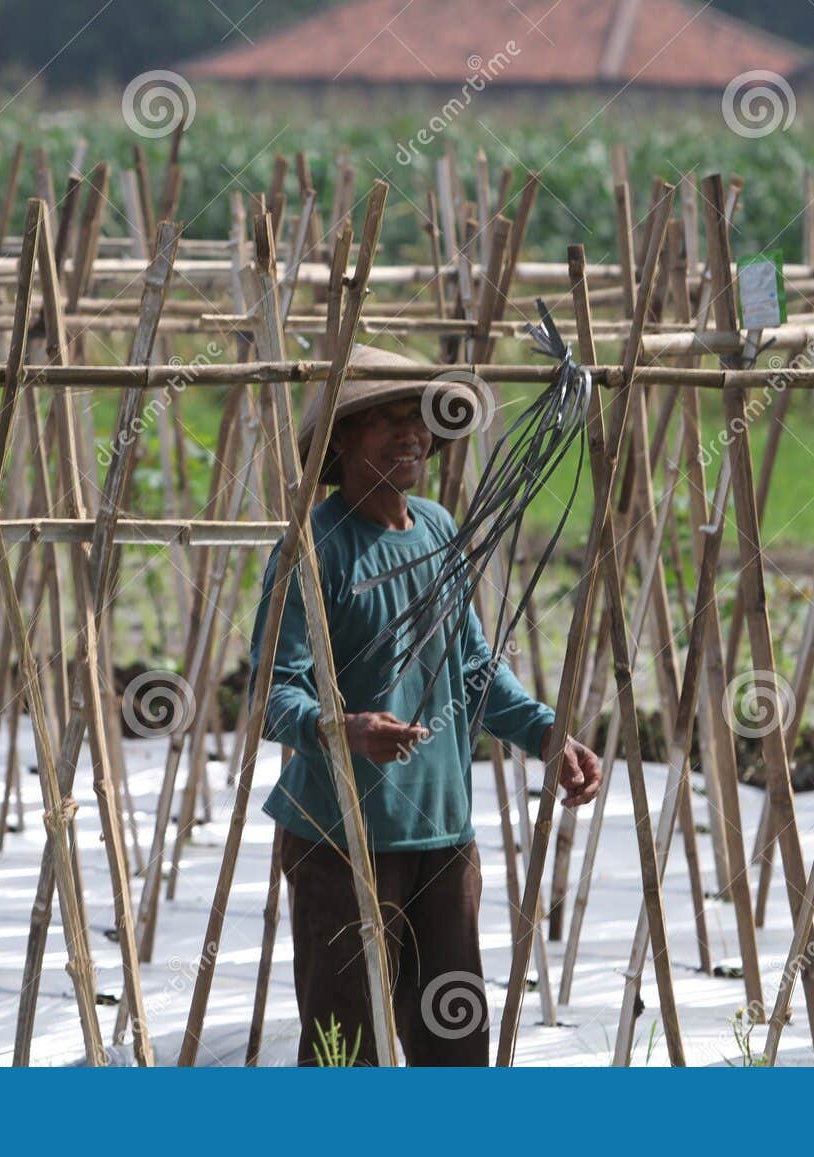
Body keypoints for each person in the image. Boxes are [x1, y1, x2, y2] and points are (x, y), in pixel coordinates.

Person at [248, 345, 601, 1066]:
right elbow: (269, 691)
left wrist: (545, 735)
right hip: (341, 841)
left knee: (454, 1043)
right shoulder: (315, 549)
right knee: (346, 1048)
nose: (410, 433)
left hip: (441, 834)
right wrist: (340, 729)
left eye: (419, 418)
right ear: (341, 439)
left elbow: (473, 670)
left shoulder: (440, 529)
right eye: (384, 419)